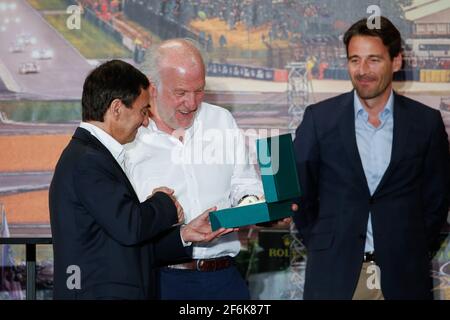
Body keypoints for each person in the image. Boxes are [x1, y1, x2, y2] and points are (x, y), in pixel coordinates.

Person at [293, 16, 449, 300]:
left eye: (374, 60)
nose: (362, 70)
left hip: (404, 275)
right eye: (355, 60)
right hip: (334, 276)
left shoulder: (426, 123)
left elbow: (437, 200)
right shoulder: (319, 120)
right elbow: (301, 194)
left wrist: (409, 243)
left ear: (397, 61)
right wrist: (322, 241)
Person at [49, 60, 231, 300]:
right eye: (143, 111)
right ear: (116, 109)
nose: (146, 121)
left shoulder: (93, 156)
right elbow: (130, 226)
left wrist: (184, 234)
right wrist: (164, 202)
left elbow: (124, 243)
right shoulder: (88, 161)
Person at [124, 39, 263, 300]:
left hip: (225, 278)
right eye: (181, 93)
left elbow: (245, 183)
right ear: (152, 87)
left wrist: (254, 204)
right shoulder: (130, 138)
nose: (192, 103)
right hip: (161, 280)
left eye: (199, 91)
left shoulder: (220, 120)